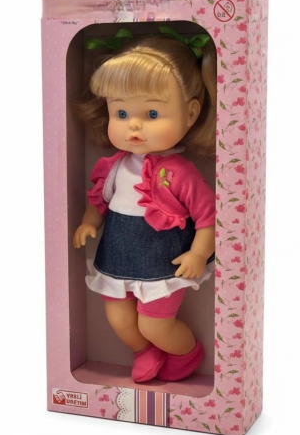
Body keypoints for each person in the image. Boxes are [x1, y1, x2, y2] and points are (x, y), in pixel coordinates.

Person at [73, 27, 216, 382]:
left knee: (155, 324)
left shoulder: (179, 173)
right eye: (121, 113)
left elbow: (207, 216)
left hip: (162, 263)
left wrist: (199, 253)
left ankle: (186, 353)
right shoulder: (114, 166)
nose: (133, 125)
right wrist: (89, 222)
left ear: (191, 113)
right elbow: (99, 200)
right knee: (119, 318)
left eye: (152, 114)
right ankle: (144, 352)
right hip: (116, 257)